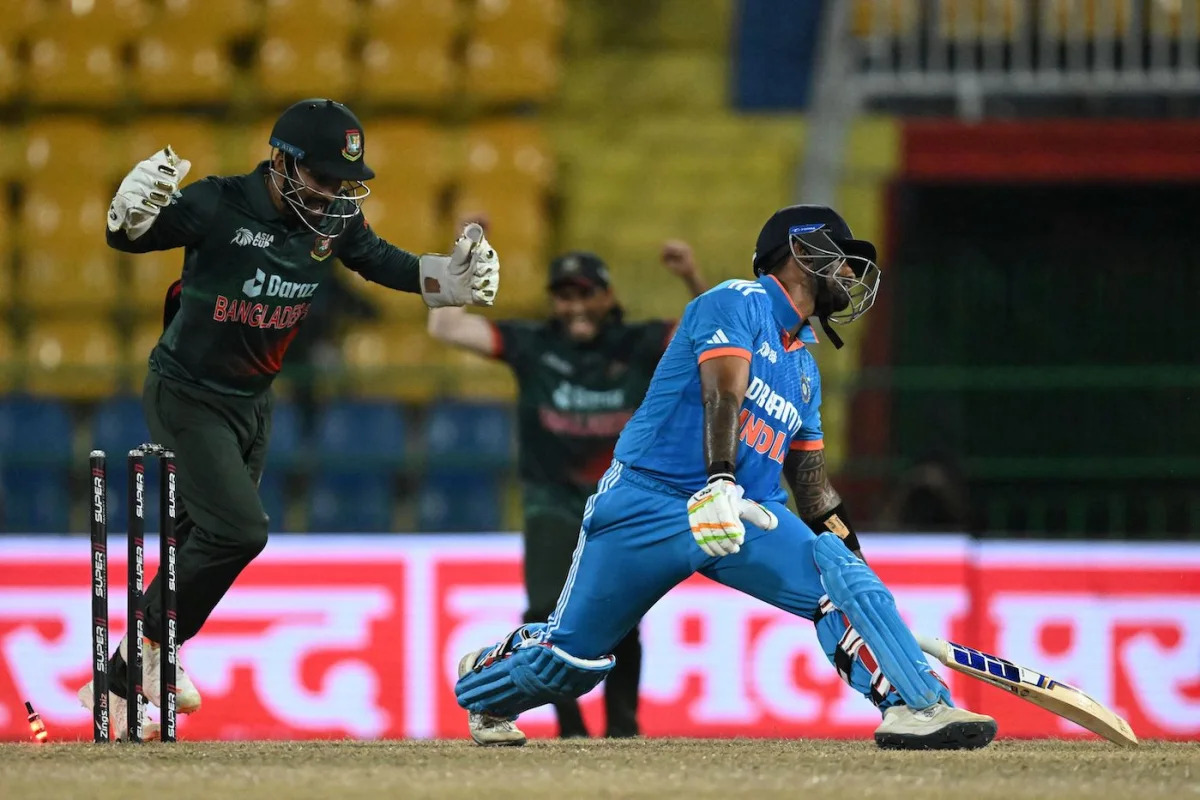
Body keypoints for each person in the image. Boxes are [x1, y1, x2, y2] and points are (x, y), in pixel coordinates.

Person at [452, 205, 999, 750]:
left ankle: (914, 705)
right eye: (844, 260)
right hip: (649, 501)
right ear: (803, 252)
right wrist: (719, 481)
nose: (853, 276)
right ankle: (488, 681)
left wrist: (864, 585)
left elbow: (813, 491)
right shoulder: (736, 301)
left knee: (839, 577)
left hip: (746, 515)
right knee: (572, 664)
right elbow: (723, 392)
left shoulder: (804, 370)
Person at [78, 98, 500, 739]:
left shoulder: (333, 225)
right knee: (240, 532)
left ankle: (120, 676)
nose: (333, 194)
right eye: (322, 178)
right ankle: (145, 654)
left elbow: (390, 264)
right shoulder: (220, 201)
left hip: (254, 402)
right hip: (188, 395)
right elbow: (135, 235)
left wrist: (452, 280)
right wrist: (125, 216)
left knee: (202, 539)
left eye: (344, 182)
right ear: (282, 161)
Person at [428, 241, 707, 738]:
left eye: (587, 293)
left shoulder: (638, 343)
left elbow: (717, 338)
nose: (576, 305)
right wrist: (464, 258)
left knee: (624, 616)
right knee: (543, 613)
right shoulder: (533, 344)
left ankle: (624, 727)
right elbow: (443, 325)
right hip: (552, 498)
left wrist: (691, 277)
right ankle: (571, 727)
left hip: (621, 498)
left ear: (608, 296)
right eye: (564, 295)